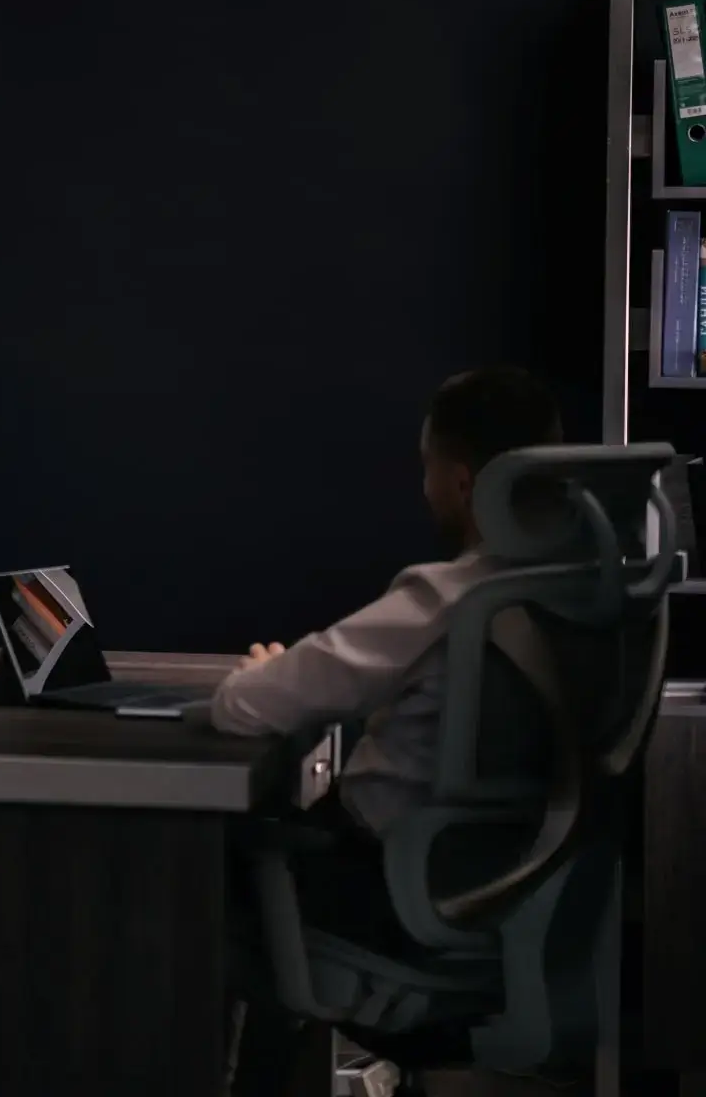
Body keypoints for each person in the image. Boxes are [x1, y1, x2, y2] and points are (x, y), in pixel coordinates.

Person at [210, 366, 564, 1091]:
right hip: (507, 901)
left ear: (463, 482)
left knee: (180, 891)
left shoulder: (450, 597)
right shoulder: (575, 603)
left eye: (428, 467)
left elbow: (242, 710)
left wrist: (259, 674)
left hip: (387, 900)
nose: (424, 486)